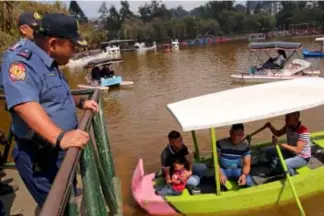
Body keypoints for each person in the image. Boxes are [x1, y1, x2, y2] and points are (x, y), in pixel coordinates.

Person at [1, 13, 98, 208]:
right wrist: (60, 137)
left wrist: (80, 103)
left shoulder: (47, 59)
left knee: (68, 197)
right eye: (72, 46)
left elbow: (54, 92)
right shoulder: (20, 61)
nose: (75, 51)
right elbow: (24, 104)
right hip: (40, 156)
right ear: (53, 43)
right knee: (56, 206)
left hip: (59, 151)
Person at [263, 111, 311, 176]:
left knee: (284, 164)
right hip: (290, 151)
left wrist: (280, 144)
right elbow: (278, 133)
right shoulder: (288, 126)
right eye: (286, 117)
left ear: (296, 118)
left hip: (302, 157)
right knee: (268, 150)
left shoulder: (303, 131)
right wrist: (270, 126)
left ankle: (293, 177)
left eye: (288, 118)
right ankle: (276, 170)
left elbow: (297, 150)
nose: (285, 120)